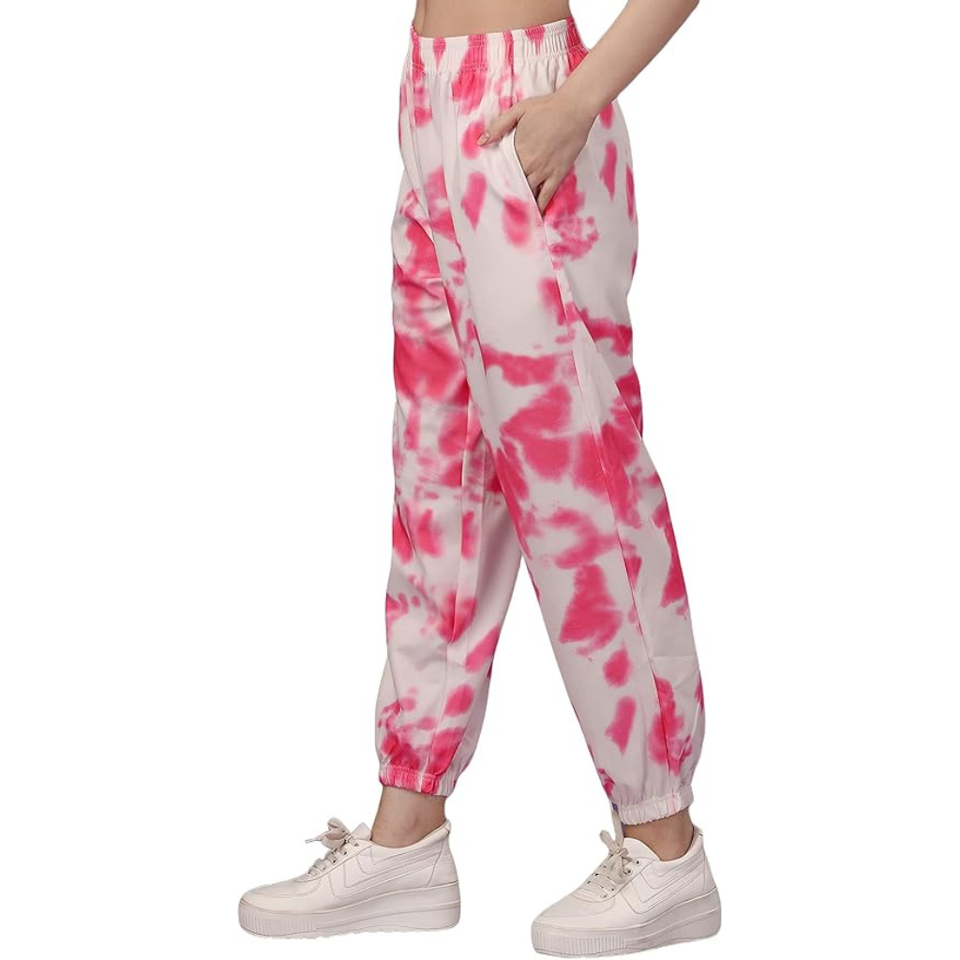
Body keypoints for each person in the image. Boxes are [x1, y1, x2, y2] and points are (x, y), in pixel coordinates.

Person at [238, 1, 719, 954]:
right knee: (438, 484)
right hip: (431, 104)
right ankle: (408, 828)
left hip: (528, 104)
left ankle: (664, 840)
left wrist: (577, 101)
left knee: (579, 486)